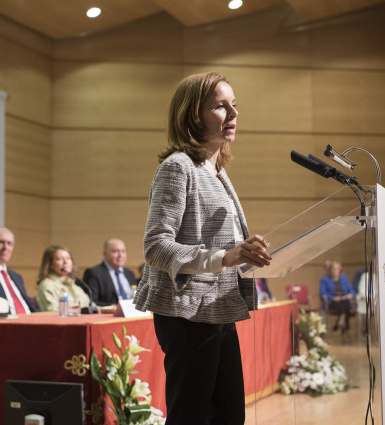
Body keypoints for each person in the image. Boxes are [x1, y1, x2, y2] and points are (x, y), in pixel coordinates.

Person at [132, 72, 272, 425]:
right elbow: (155, 246)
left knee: (228, 417)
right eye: (221, 106)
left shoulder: (216, 171)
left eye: (234, 105)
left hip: (218, 309)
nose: (233, 114)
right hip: (187, 314)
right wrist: (225, 256)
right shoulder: (178, 167)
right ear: (193, 114)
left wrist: (246, 250)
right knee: (192, 417)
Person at [83, 238, 137, 306]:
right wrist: (114, 307)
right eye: (115, 251)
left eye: (123, 251)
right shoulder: (94, 273)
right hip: (110, 315)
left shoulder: (130, 274)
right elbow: (92, 302)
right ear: (105, 254)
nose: (120, 255)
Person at [36, 245, 90, 312]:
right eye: (60, 259)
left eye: (68, 258)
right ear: (50, 264)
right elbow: (53, 311)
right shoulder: (47, 285)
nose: (66, 262)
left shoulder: (73, 284)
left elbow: (89, 305)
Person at [319, 261, 355, 333]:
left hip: (344, 300)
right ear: (331, 270)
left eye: (337, 269)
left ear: (340, 270)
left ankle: (339, 323)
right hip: (332, 302)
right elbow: (322, 293)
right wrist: (333, 298)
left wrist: (350, 294)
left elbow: (352, 290)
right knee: (345, 305)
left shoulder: (344, 280)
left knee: (345, 302)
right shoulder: (325, 280)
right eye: (334, 269)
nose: (336, 270)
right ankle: (344, 326)